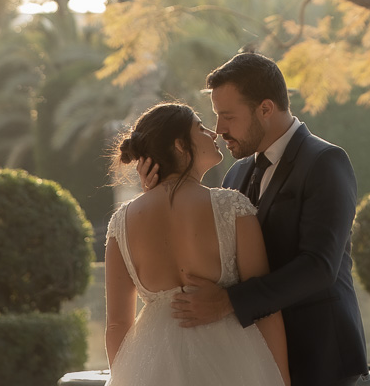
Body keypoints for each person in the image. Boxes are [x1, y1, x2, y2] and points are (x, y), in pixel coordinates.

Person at [170, 52, 369, 386]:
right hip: (253, 357)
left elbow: (319, 265)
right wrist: (162, 187)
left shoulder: (325, 162)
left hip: (319, 357)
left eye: (228, 116)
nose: (219, 130)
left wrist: (227, 303)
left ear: (265, 108)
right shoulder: (236, 173)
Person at [104, 101, 289, 386]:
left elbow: (117, 324)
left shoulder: (121, 224)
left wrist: (125, 377)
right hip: (233, 364)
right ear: (180, 144)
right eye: (201, 128)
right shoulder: (233, 207)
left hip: (152, 370)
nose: (213, 133)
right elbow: (265, 307)